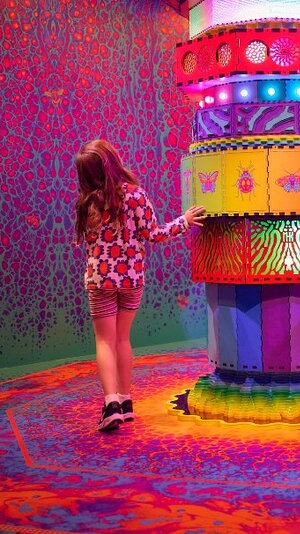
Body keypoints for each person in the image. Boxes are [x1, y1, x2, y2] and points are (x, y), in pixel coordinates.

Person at [74, 139, 205, 432]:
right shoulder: (135, 196)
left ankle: (111, 404)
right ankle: (126, 400)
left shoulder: (86, 203)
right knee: (122, 338)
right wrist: (184, 221)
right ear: (113, 161)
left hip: (100, 281)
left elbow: (88, 243)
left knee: (105, 342)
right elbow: (154, 234)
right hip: (132, 279)